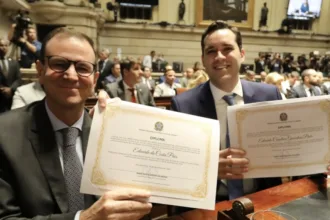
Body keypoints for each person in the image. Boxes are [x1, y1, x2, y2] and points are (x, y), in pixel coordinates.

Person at [0, 27, 152, 220]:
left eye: (82, 68)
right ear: (40, 70)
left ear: (95, 79)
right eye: (59, 64)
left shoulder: (111, 135)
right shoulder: (4, 134)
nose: (71, 75)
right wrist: (85, 219)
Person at [170, 20, 283, 214]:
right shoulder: (183, 105)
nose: (219, 57)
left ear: (242, 54)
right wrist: (207, 168)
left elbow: (285, 147)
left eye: (227, 49)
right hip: (209, 205)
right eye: (211, 51)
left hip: (263, 199)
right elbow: (174, 166)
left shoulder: (269, 95)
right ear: (203, 59)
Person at [0, 38, 21, 112]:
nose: (4, 47)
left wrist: (11, 89)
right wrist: (2, 89)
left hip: (12, 97)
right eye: (1, 45)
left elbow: (18, 79)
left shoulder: (14, 63)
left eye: (6, 45)